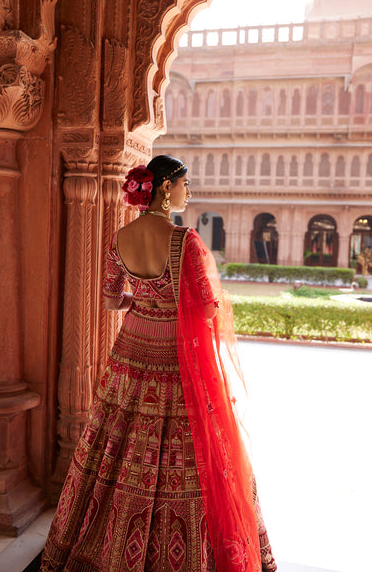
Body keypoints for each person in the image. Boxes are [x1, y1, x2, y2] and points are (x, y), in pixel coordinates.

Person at [40, 155, 276, 572]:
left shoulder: (120, 238)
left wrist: (143, 301)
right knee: (185, 446)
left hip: (132, 347)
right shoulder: (185, 242)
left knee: (118, 438)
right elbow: (206, 309)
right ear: (166, 188)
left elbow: (112, 298)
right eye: (186, 183)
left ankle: (101, 543)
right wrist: (171, 305)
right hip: (175, 352)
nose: (190, 191)